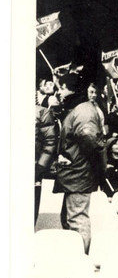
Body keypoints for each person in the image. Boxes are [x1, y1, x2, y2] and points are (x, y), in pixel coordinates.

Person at [54, 73, 107, 252]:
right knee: (71, 219)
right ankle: (76, 257)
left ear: (72, 89)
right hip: (77, 174)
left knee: (76, 220)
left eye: (62, 87)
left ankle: (81, 259)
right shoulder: (81, 108)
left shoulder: (82, 110)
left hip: (78, 174)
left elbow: (88, 137)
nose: (59, 91)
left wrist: (86, 164)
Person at [35, 94, 59, 225]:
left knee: (30, 209)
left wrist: (40, 166)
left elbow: (50, 142)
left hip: (34, 169)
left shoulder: (42, 112)